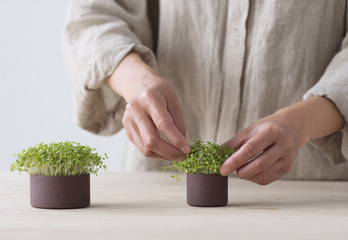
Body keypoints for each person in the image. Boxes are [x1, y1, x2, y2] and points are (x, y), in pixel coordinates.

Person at [63, 0, 348, 184]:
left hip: (307, 190)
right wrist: (136, 81)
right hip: (162, 186)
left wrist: (302, 122)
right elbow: (96, 16)